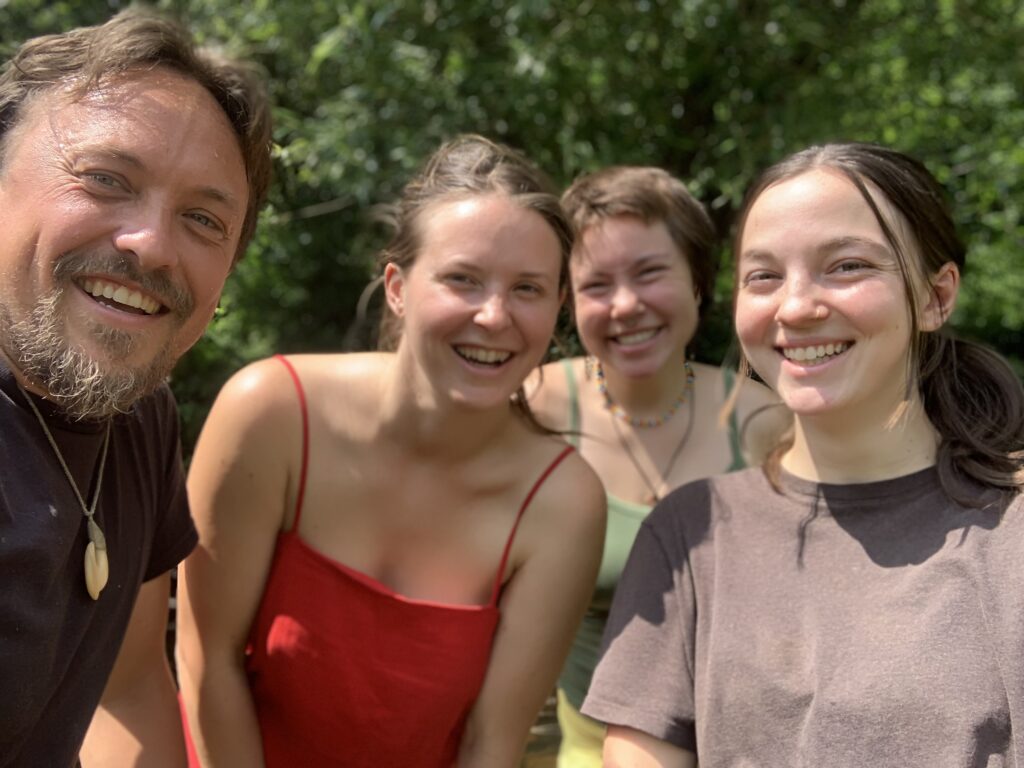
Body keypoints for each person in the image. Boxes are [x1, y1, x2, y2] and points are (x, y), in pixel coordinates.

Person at [582, 143, 1024, 767]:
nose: (795, 307)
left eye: (845, 266)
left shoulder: (1010, 534)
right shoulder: (690, 536)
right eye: (764, 276)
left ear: (936, 297)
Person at [177, 135, 606, 767]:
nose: (494, 316)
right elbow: (205, 659)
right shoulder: (272, 412)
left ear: (558, 308)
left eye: (528, 289)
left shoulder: (564, 504)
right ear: (398, 288)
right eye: (462, 279)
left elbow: (492, 745)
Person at [0, 8, 272, 768]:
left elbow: (127, 688)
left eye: (203, 219)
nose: (150, 244)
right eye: (104, 179)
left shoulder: (139, 417)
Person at [525, 166, 785, 766]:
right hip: (590, 746)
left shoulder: (770, 423)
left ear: (697, 280)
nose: (625, 305)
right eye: (596, 285)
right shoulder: (530, 412)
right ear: (567, 299)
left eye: (649, 273)